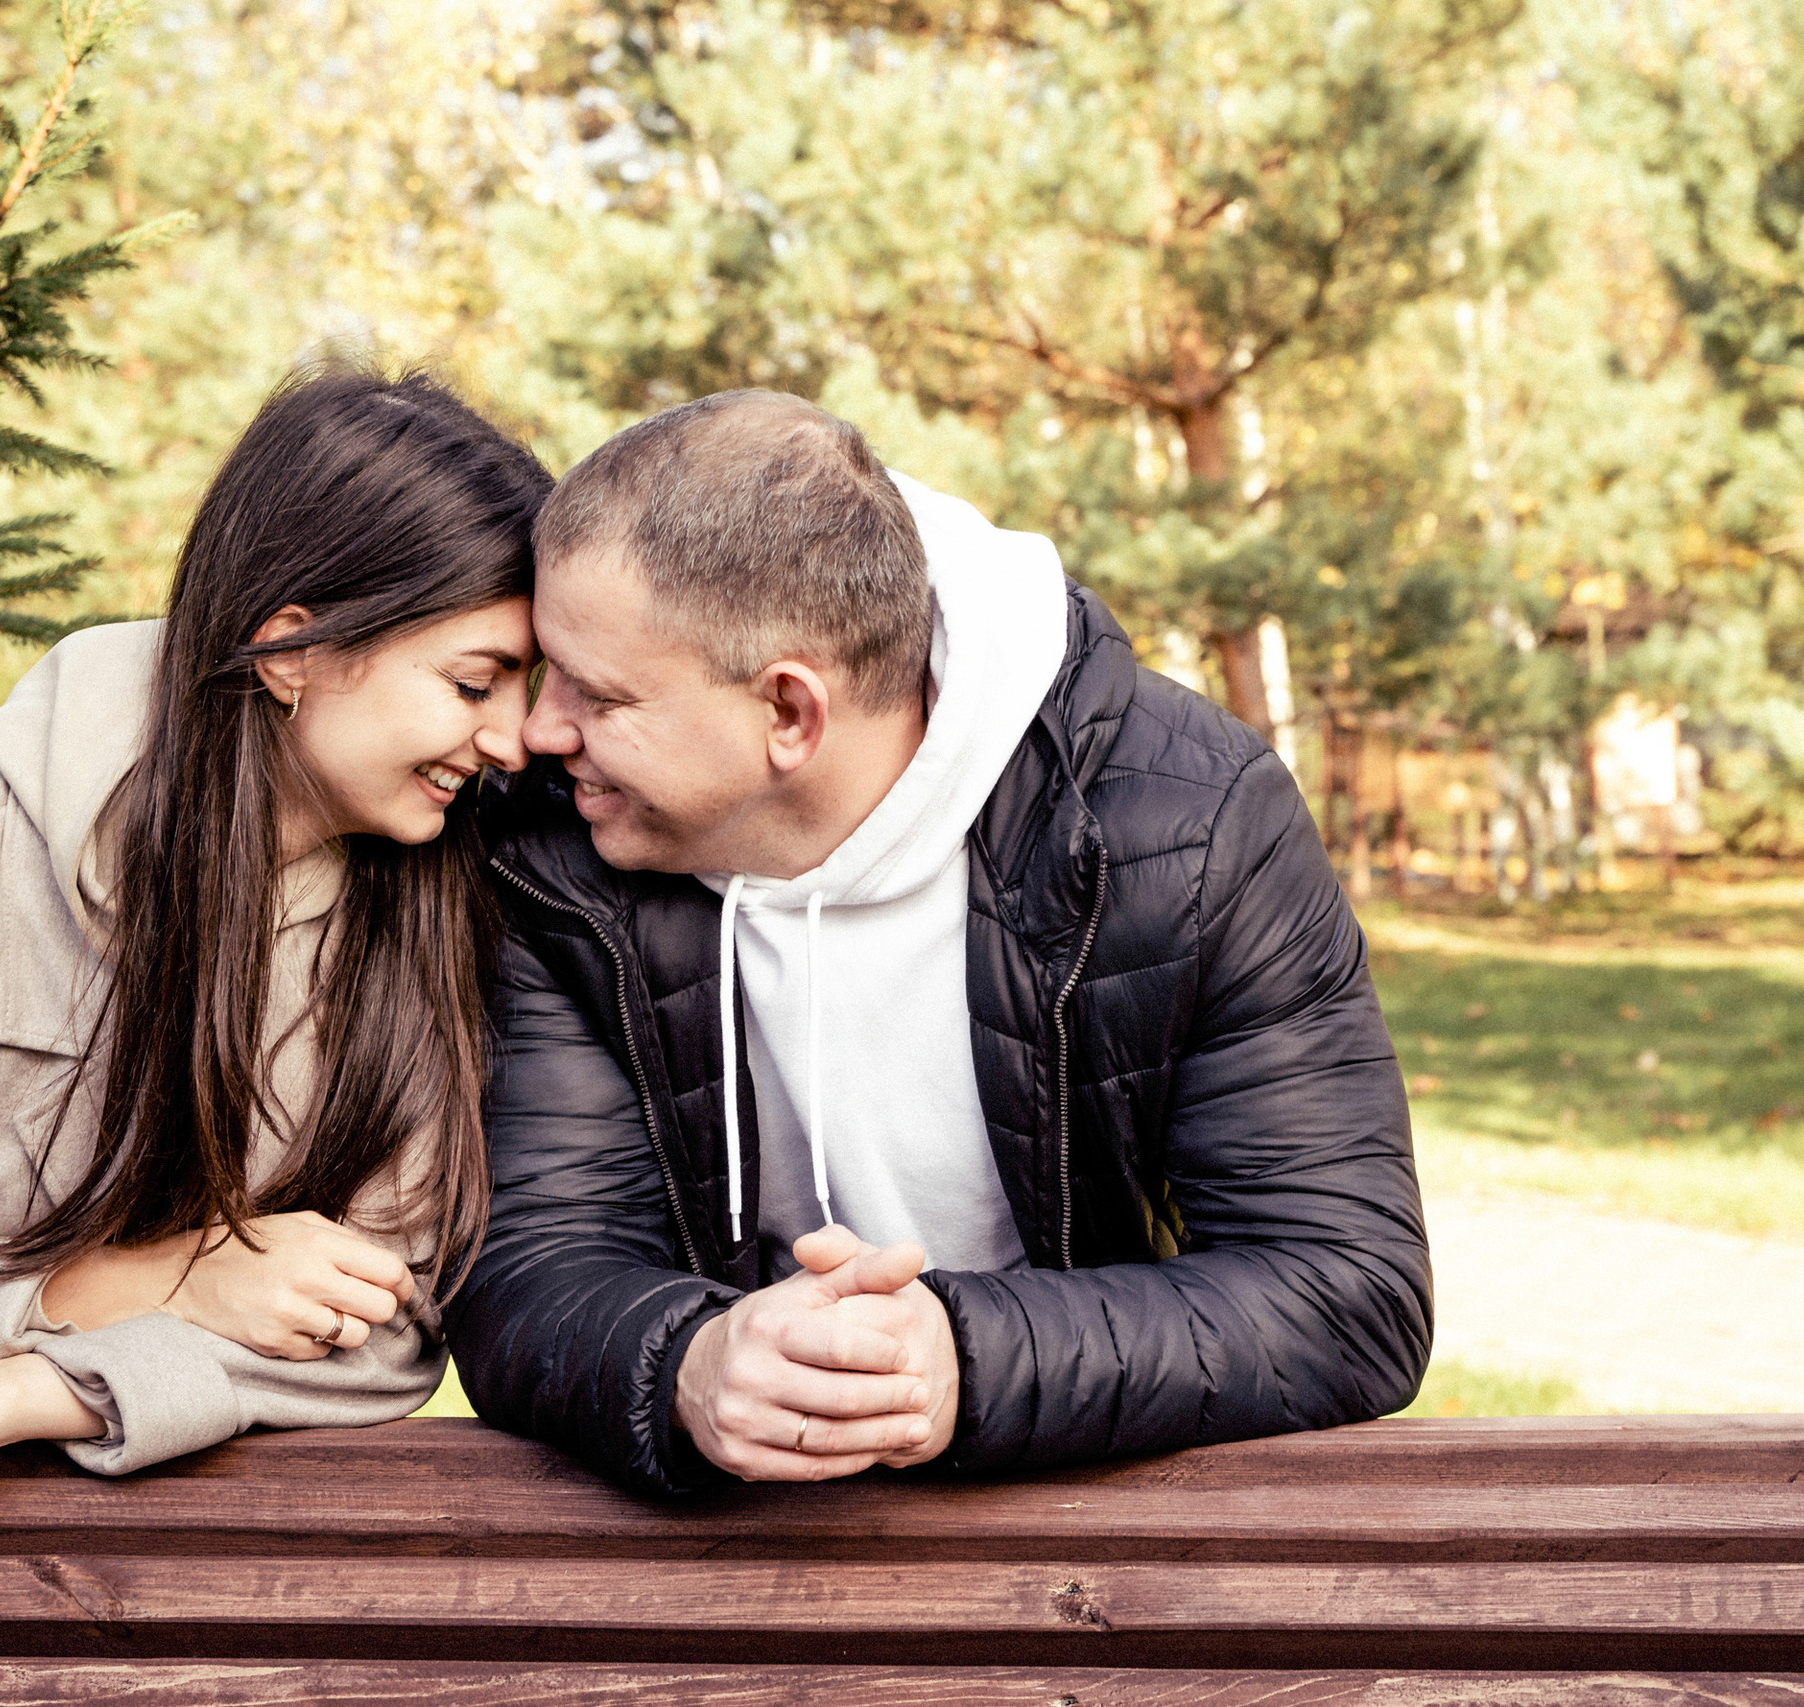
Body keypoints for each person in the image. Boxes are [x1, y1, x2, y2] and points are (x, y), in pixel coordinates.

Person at [450, 389, 1430, 1491]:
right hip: (715, 1538)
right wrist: (687, 1359)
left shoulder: (1189, 824)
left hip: (1085, 1522)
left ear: (790, 713)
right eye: (547, 672)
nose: (534, 731)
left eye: (597, 693)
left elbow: (1348, 1291)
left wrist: (959, 1359)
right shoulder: (553, 842)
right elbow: (531, 1265)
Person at [0, 369, 552, 1500]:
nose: (516, 738)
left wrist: (27, 1388)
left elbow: (386, 1338)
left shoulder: (438, 896)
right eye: (474, 683)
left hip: (256, 1582)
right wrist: (164, 1279)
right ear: (287, 654)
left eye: (527, 683)